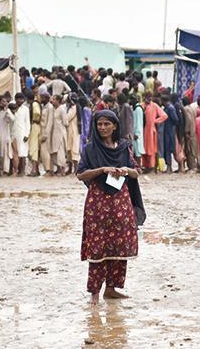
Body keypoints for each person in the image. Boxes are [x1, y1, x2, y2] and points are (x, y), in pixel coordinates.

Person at [76, 110, 141, 305]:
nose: (102, 128)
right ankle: (95, 293)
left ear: (115, 126)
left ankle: (111, 289)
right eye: (99, 124)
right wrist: (102, 170)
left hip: (121, 201)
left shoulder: (124, 147)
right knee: (98, 245)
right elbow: (80, 174)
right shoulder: (90, 149)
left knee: (120, 244)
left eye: (106, 124)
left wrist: (126, 170)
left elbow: (137, 171)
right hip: (97, 202)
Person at [143, 92, 168, 173]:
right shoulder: (141, 105)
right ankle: (146, 166)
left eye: (150, 97)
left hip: (151, 131)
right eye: (147, 96)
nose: (149, 98)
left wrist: (155, 121)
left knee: (152, 149)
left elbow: (164, 116)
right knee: (144, 149)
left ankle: (152, 166)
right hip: (143, 131)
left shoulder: (154, 106)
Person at [12, 92, 30, 176]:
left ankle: (22, 171)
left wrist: (27, 134)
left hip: (22, 133)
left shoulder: (25, 109)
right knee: (14, 153)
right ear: (15, 99)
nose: (20, 100)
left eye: (22, 99)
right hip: (13, 133)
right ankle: (14, 170)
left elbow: (27, 122)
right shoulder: (11, 106)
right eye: (18, 99)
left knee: (23, 153)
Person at [51, 94, 69, 175]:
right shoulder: (54, 109)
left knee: (60, 152)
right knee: (55, 152)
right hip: (55, 133)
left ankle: (62, 169)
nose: (52, 101)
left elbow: (65, 122)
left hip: (61, 133)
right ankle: (58, 169)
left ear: (58, 100)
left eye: (54, 99)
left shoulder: (62, 109)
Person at [161, 94, 179, 173]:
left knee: (168, 149)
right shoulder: (167, 108)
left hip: (169, 131)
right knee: (166, 149)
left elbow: (175, 119)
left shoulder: (170, 108)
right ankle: (169, 166)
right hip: (166, 131)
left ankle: (170, 167)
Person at [181, 96, 198, 171]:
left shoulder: (186, 109)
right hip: (194, 130)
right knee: (192, 148)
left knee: (189, 149)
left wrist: (186, 131)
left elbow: (188, 120)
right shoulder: (192, 108)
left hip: (190, 132)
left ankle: (192, 166)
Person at [39, 91, 54, 176]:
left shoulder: (50, 107)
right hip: (42, 130)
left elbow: (50, 121)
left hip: (46, 133)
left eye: (42, 97)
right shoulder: (43, 106)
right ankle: (47, 170)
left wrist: (46, 135)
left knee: (46, 152)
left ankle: (48, 170)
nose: (41, 99)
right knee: (43, 152)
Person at [66, 93, 81, 172]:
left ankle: (75, 169)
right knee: (69, 150)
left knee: (74, 150)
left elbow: (67, 118)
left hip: (74, 132)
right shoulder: (72, 107)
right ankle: (70, 169)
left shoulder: (74, 108)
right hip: (70, 132)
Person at [28, 91, 42, 176]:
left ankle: (34, 170)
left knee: (34, 148)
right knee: (35, 148)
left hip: (34, 126)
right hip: (36, 127)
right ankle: (36, 169)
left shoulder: (34, 104)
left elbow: (37, 113)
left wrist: (34, 119)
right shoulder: (36, 103)